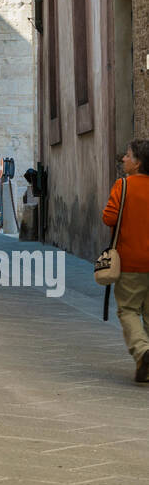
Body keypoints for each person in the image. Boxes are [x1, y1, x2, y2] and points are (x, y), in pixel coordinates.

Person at [103, 140, 149, 384]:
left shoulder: (123, 186)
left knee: (129, 309)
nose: (123, 159)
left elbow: (109, 218)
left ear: (138, 162)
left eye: (128, 155)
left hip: (130, 261)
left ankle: (142, 352)